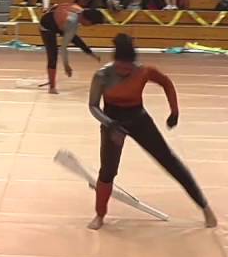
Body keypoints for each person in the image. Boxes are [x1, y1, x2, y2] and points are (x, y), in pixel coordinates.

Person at [86, 34, 217, 230]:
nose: (124, 72)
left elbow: (166, 83)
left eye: (128, 68)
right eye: (121, 67)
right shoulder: (102, 75)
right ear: (114, 62)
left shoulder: (144, 71)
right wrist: (110, 124)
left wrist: (174, 111)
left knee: (169, 160)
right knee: (108, 170)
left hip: (138, 118)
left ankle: (205, 208)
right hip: (113, 121)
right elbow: (93, 106)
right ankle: (99, 215)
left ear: (134, 63)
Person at [38, 3, 105, 94]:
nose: (90, 26)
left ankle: (92, 54)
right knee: (53, 55)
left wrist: (53, 12)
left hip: (58, 21)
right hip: (47, 26)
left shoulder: (79, 9)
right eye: (91, 24)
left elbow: (57, 5)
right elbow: (63, 48)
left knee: (76, 39)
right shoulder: (71, 22)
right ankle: (52, 87)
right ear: (87, 20)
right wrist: (66, 66)